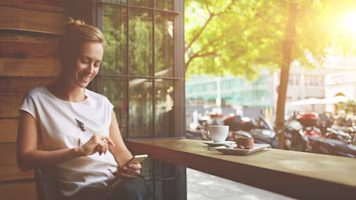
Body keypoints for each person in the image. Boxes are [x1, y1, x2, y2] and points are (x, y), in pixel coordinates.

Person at [16, 18, 151, 200]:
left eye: (96, 64)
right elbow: (25, 159)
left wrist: (130, 165)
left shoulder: (102, 103)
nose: (91, 70)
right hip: (80, 193)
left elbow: (120, 151)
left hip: (118, 185)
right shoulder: (37, 100)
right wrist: (79, 151)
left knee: (132, 190)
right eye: (85, 61)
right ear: (65, 55)